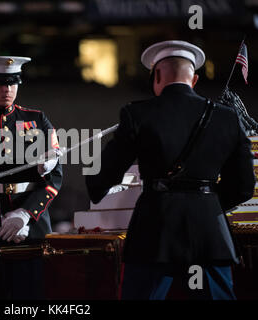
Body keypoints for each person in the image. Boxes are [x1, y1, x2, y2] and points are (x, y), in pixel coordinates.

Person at [86, 40, 256, 300]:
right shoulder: (227, 117)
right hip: (209, 232)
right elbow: (244, 185)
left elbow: (108, 171)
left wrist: (93, 182)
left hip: (155, 230)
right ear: (195, 79)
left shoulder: (137, 114)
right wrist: (207, 202)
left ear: (156, 75)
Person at [0, 56, 63, 298]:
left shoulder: (36, 119)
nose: (7, 89)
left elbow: (55, 178)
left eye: (13, 83)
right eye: (0, 83)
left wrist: (27, 214)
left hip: (31, 229)